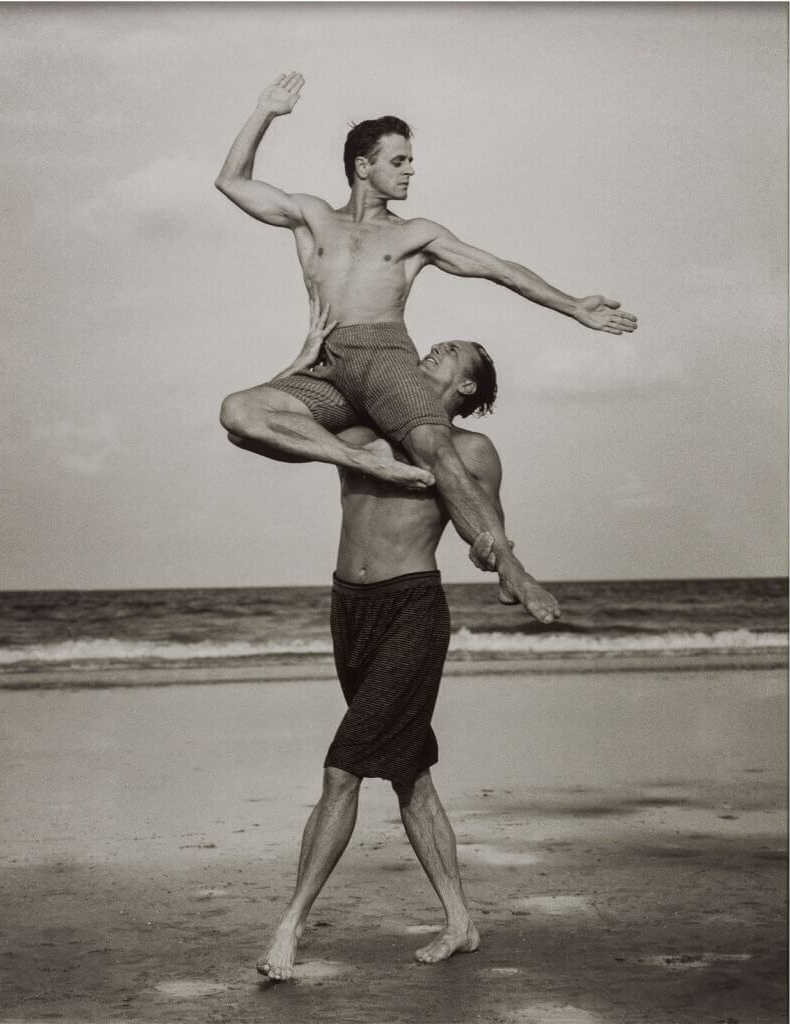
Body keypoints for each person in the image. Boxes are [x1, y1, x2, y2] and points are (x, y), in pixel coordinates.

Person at [215, 72, 636, 624]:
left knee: (437, 451)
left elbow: (500, 270)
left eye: (411, 160)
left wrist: (573, 305)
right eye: (399, 161)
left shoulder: (417, 234)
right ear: (364, 166)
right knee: (239, 413)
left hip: (385, 356)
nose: (411, 170)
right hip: (327, 363)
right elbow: (231, 180)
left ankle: (511, 568)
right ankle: (360, 458)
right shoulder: (312, 216)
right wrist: (264, 111)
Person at [256, 318, 530, 982]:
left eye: (451, 353)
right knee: (409, 776)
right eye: (437, 343)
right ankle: (461, 921)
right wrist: (300, 359)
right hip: (349, 610)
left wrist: (496, 558)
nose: (436, 347)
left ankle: (290, 925)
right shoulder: (361, 432)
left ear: (467, 385)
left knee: (343, 767)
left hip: (412, 608)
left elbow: (489, 527)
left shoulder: (472, 447)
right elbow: (265, 423)